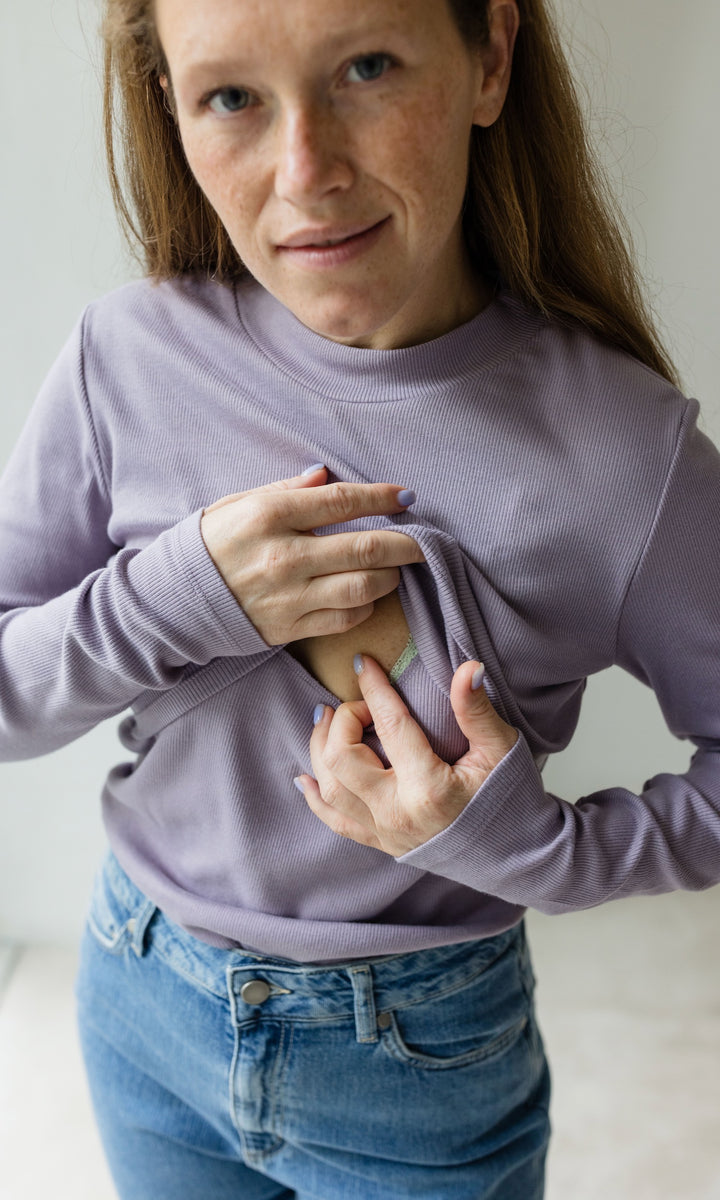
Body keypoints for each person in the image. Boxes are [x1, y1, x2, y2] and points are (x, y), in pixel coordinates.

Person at [1, 0, 718, 1196]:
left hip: (421, 1071)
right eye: (231, 97)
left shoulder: (630, 459)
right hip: (139, 998)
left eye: (369, 67)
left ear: (490, 54)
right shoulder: (121, 358)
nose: (306, 172)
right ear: (168, 102)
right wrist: (172, 598)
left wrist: (541, 851)